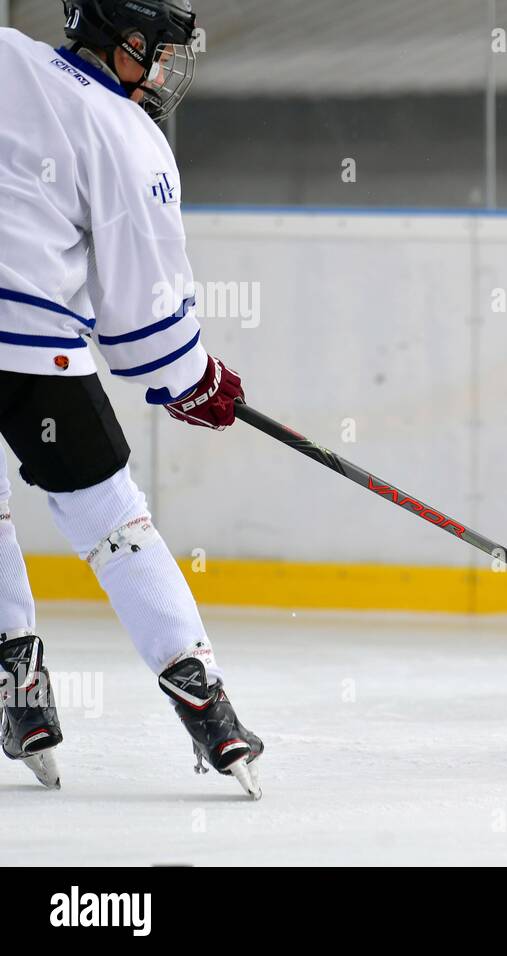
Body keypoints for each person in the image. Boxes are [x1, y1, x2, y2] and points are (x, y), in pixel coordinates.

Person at [0, 0, 261, 797]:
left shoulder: (5, 55)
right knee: (113, 524)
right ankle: (205, 706)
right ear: (128, 43)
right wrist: (192, 379)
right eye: (161, 52)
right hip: (32, 354)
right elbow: (140, 309)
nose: (165, 71)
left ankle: (22, 689)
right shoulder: (127, 136)